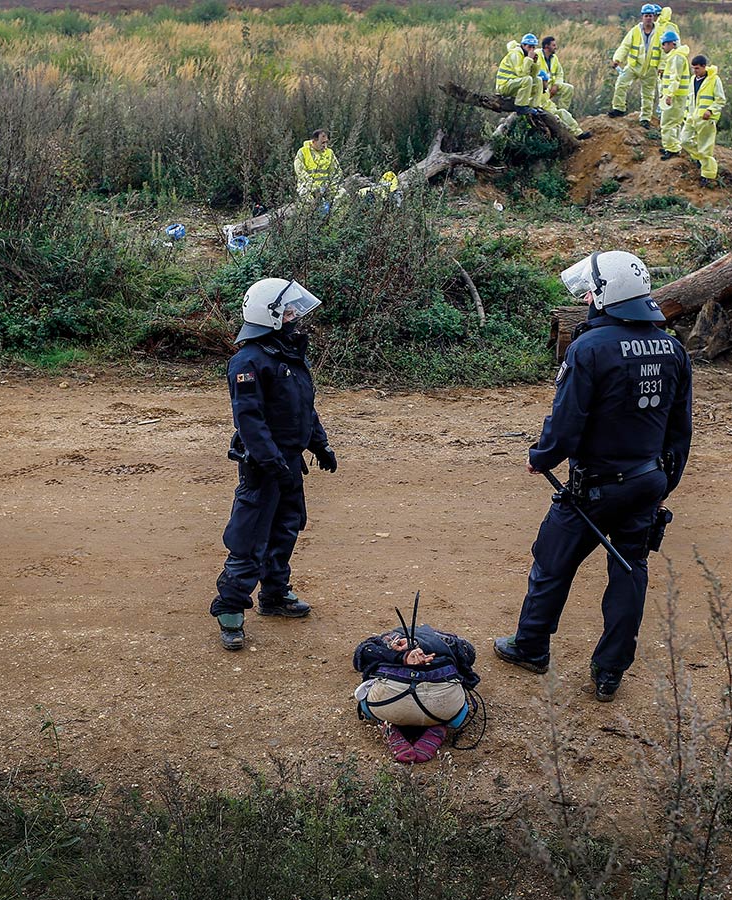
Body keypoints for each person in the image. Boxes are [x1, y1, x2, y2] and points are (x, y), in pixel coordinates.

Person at [493, 250, 693, 701]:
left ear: (606, 294)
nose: (585, 296)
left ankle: (530, 647)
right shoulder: (673, 349)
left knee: (551, 561)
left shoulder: (588, 348)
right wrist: (664, 486)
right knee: (630, 571)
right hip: (648, 482)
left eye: (590, 289)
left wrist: (541, 457)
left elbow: (566, 424)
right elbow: (681, 432)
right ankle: (610, 672)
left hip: (593, 487)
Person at [210, 278, 338, 651]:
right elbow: (249, 419)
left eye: (294, 309)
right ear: (268, 314)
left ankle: (275, 594)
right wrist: (271, 461)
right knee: (248, 540)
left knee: (286, 529)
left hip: (289, 462)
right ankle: (230, 610)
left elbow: (303, 407)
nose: (295, 315)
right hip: (264, 467)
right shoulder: (248, 361)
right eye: (287, 310)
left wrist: (320, 444)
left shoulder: (289, 353)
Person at [354, 619, 481, 763]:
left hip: (388, 703)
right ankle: (438, 728)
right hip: (443, 708)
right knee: (461, 708)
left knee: (364, 700)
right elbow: (469, 654)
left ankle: (389, 726)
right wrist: (429, 646)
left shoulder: (386, 640)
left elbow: (361, 654)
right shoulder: (447, 641)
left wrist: (400, 657)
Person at [610, 4, 662, 127]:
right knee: (621, 84)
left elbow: (663, 52)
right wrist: (617, 59)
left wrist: (662, 67)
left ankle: (645, 118)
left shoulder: (660, 32)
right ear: (642, 17)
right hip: (634, 66)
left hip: (650, 68)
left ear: (654, 16)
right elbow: (625, 46)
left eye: (650, 15)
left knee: (648, 94)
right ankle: (618, 108)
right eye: (646, 15)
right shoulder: (635, 31)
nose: (648, 18)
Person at [679, 55, 726, 187]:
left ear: (704, 67)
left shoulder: (714, 80)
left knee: (706, 148)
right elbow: (690, 100)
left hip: (706, 120)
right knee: (684, 140)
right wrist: (686, 115)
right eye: (693, 68)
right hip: (692, 118)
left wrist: (710, 111)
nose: (695, 71)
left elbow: (720, 100)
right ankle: (701, 159)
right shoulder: (693, 79)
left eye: (697, 68)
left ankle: (707, 175)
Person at [536, 36, 591, 140]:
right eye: (554, 45)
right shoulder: (537, 55)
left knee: (568, 90)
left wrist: (556, 85)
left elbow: (560, 73)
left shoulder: (554, 58)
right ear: (546, 46)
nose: (556, 47)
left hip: (550, 85)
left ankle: (575, 130)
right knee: (554, 113)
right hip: (541, 90)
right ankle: (563, 122)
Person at [657, 31, 690, 160]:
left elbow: (675, 78)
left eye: (664, 44)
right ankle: (671, 146)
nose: (662, 47)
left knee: (667, 123)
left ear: (672, 43)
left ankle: (672, 149)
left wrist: (669, 95)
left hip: (675, 97)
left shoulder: (677, 57)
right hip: (678, 96)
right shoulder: (677, 56)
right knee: (674, 122)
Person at [495, 33, 545, 116]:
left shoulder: (526, 55)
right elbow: (522, 73)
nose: (531, 50)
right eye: (529, 47)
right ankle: (521, 107)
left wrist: (534, 64)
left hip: (515, 83)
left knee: (538, 80)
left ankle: (534, 106)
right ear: (523, 45)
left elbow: (533, 76)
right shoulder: (515, 54)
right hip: (504, 85)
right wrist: (529, 59)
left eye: (533, 47)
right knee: (527, 79)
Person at [293, 130, 342, 199]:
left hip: (327, 187)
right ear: (314, 141)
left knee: (342, 195)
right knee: (307, 200)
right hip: (307, 187)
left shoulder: (329, 152)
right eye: (322, 142)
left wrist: (332, 186)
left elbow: (336, 171)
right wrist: (314, 187)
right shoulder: (303, 152)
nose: (325, 145)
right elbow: (299, 171)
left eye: (326, 142)